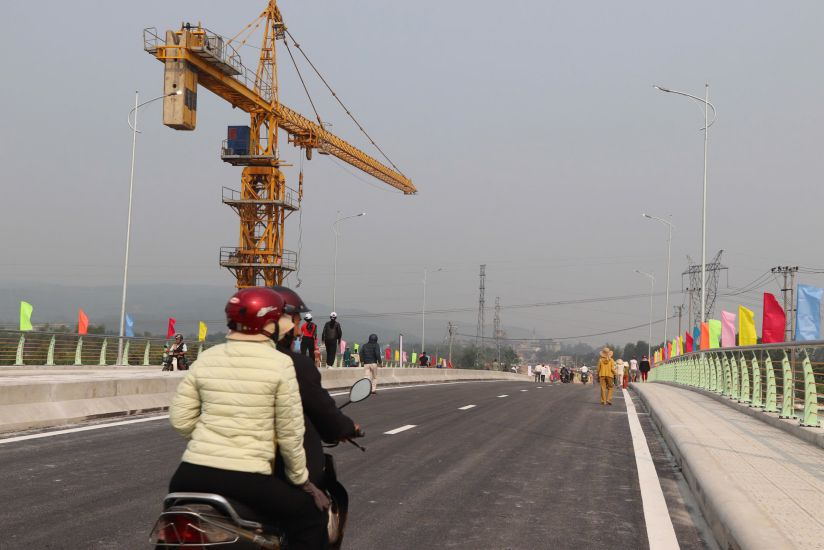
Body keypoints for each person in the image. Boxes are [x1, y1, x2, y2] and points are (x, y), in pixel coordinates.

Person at [168, 287, 329, 549]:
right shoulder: (280, 364)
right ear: (269, 323)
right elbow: (290, 433)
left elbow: (180, 419)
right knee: (310, 517)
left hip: (188, 475)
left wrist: (211, 440)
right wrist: (302, 481)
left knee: (173, 530)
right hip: (246, 478)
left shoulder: (207, 358)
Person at [270, 286, 361, 548]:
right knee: (311, 519)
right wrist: (344, 427)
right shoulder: (292, 365)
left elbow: (184, 420)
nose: (299, 327)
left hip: (196, 471)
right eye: (296, 321)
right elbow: (319, 415)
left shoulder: (216, 360)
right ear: (283, 322)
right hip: (263, 473)